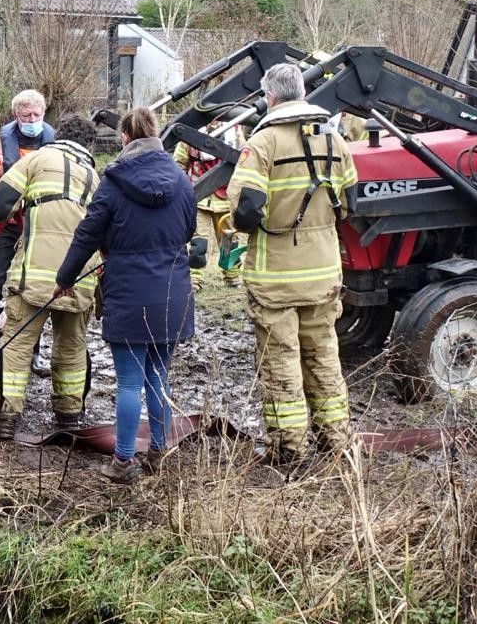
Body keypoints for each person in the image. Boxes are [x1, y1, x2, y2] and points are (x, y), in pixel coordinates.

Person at [226, 62, 358, 468]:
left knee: (281, 360)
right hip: (322, 272)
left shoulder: (262, 143)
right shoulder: (334, 139)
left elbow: (246, 210)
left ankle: (289, 448)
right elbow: (351, 205)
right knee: (323, 354)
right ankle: (336, 442)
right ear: (301, 92)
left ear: (270, 97)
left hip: (276, 276)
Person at [56, 107, 196, 484]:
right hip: (172, 289)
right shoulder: (181, 179)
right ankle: (159, 451)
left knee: (130, 381)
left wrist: (65, 277)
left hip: (129, 291)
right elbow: (189, 228)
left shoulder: (114, 182)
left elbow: (88, 233)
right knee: (159, 377)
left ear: (123, 138)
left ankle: (122, 462)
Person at [0, 115, 101, 440]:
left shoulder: (35, 159)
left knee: (17, 343)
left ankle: (5, 417)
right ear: (89, 145)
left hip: (33, 275)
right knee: (72, 346)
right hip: (80, 278)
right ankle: (70, 414)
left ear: (58, 136)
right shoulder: (95, 177)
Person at [0, 89, 55, 377]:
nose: (32, 120)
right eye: (26, 115)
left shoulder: (55, 144)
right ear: (15, 115)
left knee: (36, 287)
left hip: (41, 225)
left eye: (37, 115)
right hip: (4, 223)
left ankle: (34, 351)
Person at [173, 123, 246, 289]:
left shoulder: (234, 130)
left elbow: (244, 160)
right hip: (199, 198)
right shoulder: (191, 134)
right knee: (198, 245)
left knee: (230, 243)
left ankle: (232, 277)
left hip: (226, 198)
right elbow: (179, 163)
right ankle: (194, 281)